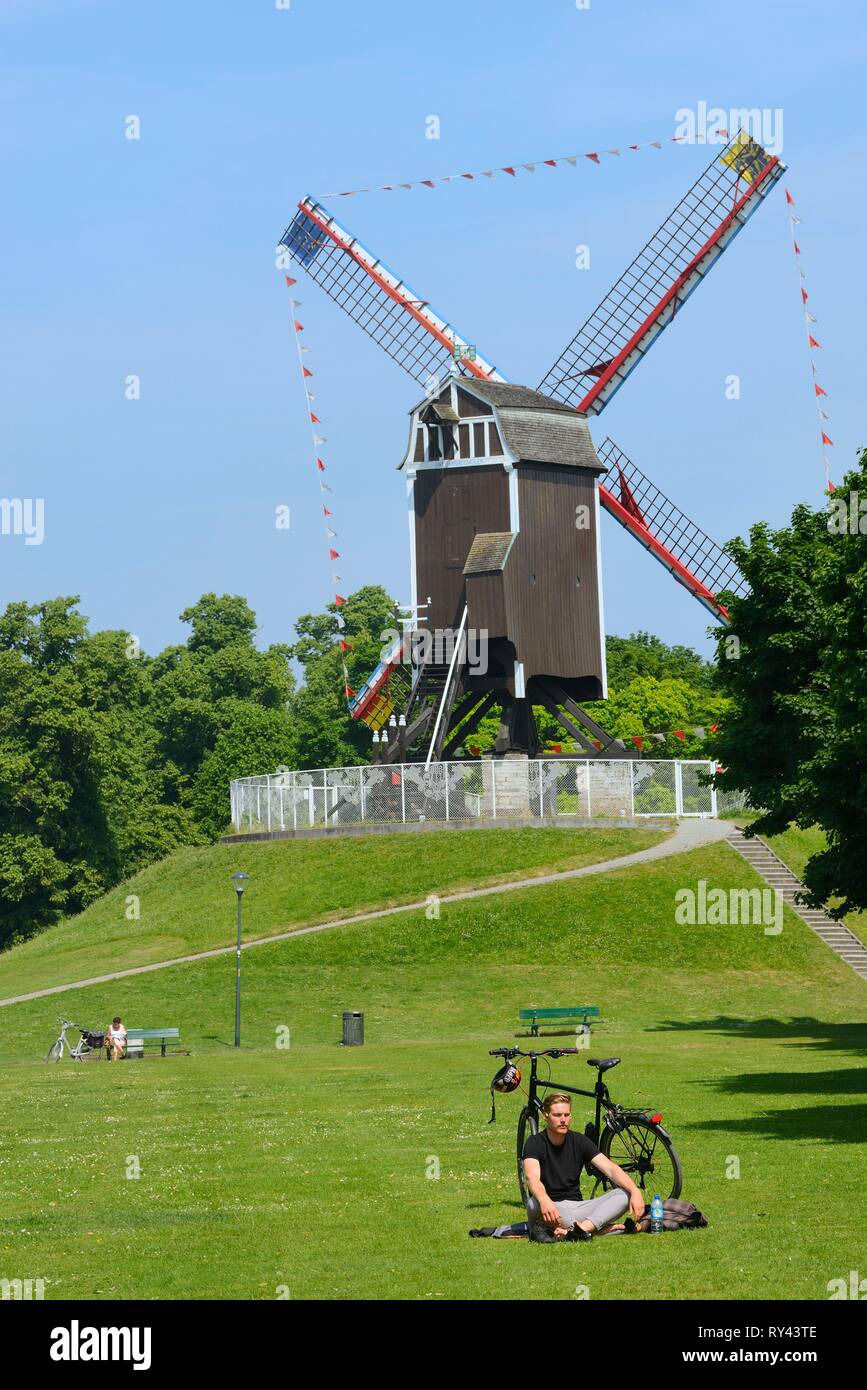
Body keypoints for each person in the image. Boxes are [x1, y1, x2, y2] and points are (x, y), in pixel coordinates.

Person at [522, 1092, 646, 1242]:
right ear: (545, 1116)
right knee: (533, 1203)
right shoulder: (534, 1143)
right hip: (550, 1210)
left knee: (624, 1194)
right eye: (557, 1115)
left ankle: (579, 1229)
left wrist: (635, 1191)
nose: (563, 1120)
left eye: (567, 1115)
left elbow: (611, 1169)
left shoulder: (579, 1140)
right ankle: (595, 1228)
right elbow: (532, 1178)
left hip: (579, 1208)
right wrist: (544, 1199)